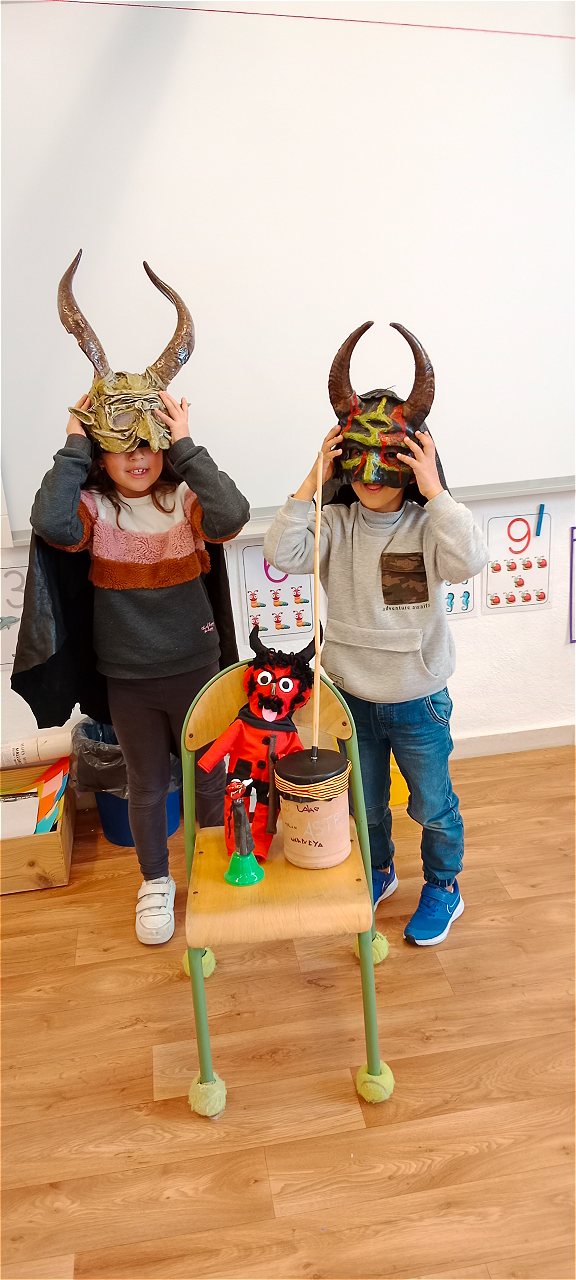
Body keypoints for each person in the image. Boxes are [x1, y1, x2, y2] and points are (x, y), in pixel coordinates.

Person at [26, 253, 250, 945]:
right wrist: (72, 444)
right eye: (121, 447)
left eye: (149, 444)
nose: (138, 457)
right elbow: (51, 522)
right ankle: (156, 882)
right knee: (147, 785)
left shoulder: (185, 502)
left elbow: (233, 514)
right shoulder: (93, 511)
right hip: (129, 677)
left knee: (208, 781)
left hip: (196, 668)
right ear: (102, 451)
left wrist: (187, 446)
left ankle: (212, 869)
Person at [263, 321, 488, 946]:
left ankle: (444, 885)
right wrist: (310, 481)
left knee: (432, 804)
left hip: (417, 698)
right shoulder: (333, 524)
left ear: (411, 462)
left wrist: (435, 491)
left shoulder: (428, 526)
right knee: (365, 802)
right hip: (350, 697)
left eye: (387, 460)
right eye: (358, 460)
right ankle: (380, 868)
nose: (371, 474)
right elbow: (282, 553)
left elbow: (469, 560)